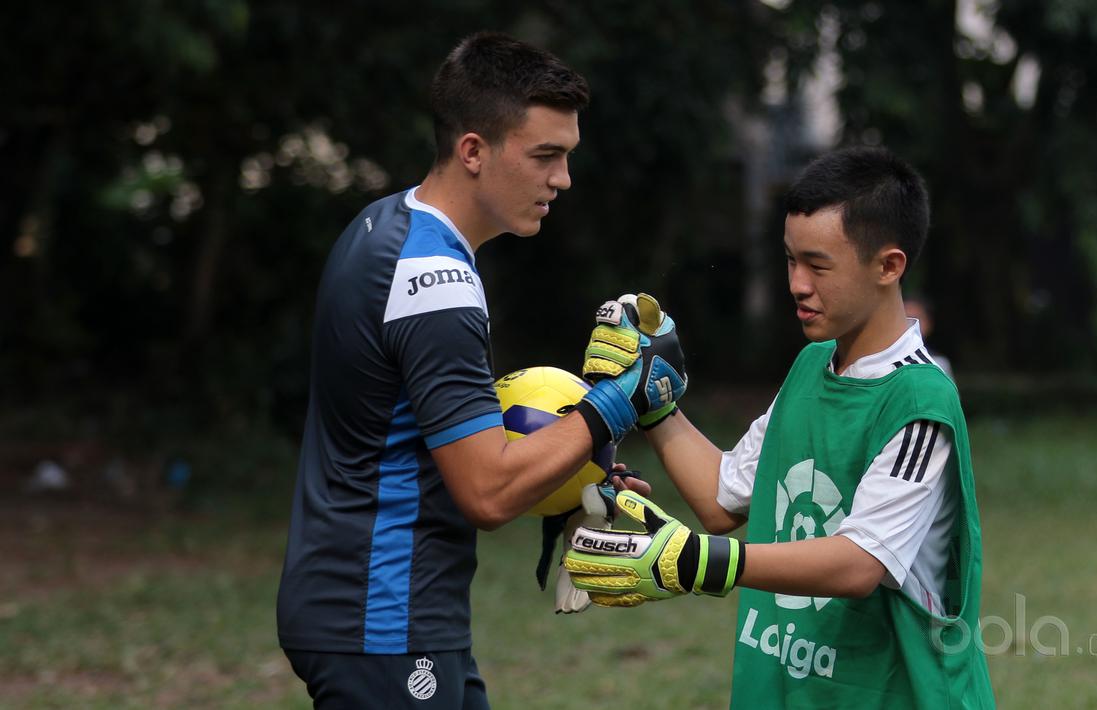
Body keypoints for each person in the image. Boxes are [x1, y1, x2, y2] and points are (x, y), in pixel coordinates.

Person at [276, 33, 682, 709]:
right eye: (544, 156)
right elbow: (487, 492)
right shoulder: (434, 282)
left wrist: (573, 464)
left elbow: (419, 443)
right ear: (473, 150)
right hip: (383, 621)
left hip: (373, 612)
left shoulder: (385, 226)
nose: (562, 179)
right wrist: (621, 399)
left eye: (566, 156)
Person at [567, 147, 994, 708]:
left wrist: (698, 562)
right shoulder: (810, 369)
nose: (797, 284)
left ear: (889, 266)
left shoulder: (920, 401)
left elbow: (860, 563)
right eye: (790, 260)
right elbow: (723, 498)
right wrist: (651, 402)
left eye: (818, 266)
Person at [905, 295, 954, 379]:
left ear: (929, 323)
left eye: (916, 319)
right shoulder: (881, 361)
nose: (911, 325)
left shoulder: (939, 363)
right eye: (906, 318)